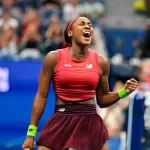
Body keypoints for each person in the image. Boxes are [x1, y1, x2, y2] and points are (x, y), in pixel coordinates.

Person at [22, 17, 138, 150]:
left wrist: (124, 92)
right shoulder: (53, 58)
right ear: (70, 32)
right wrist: (30, 135)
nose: (87, 27)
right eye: (82, 24)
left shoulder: (102, 62)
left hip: (90, 122)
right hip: (61, 119)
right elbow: (41, 97)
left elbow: (103, 100)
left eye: (90, 25)